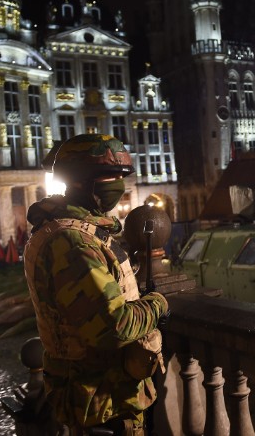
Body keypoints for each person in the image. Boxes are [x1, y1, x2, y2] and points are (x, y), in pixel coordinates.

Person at [24, 134, 170, 436]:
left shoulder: (81, 231)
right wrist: (157, 304)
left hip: (109, 399)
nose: (117, 183)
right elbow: (113, 326)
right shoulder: (72, 241)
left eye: (121, 176)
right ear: (78, 179)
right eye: (108, 175)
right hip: (102, 404)